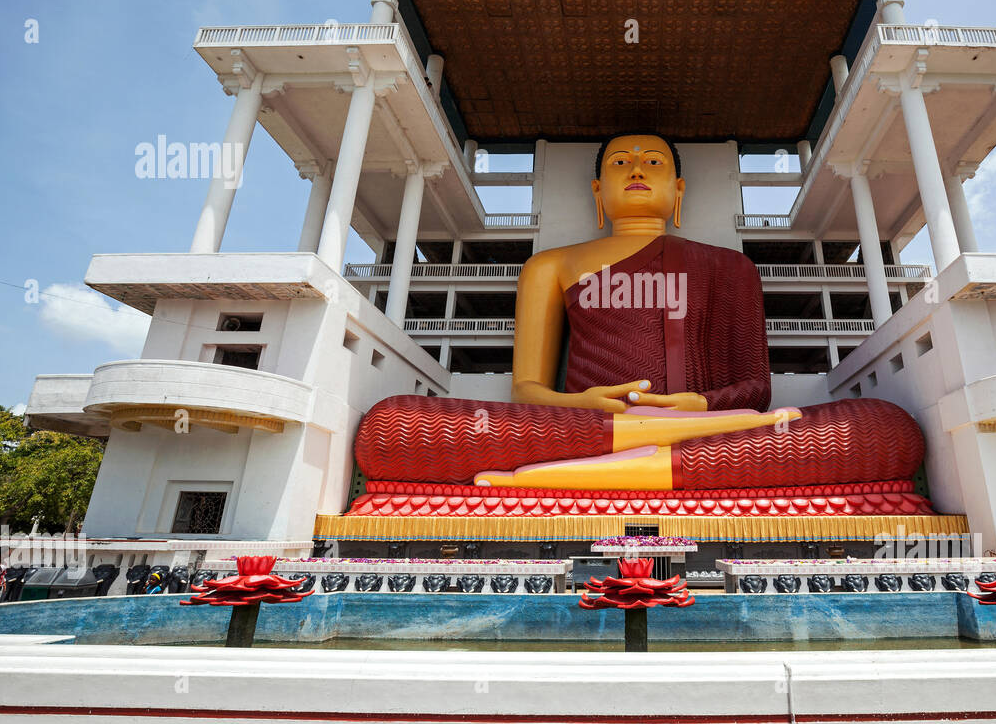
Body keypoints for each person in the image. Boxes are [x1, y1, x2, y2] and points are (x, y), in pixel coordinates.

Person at [355, 134, 923, 490]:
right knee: (394, 426)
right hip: (582, 425)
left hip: (706, 429)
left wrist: (697, 405)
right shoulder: (550, 266)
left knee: (877, 428)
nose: (636, 167)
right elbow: (526, 394)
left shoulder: (729, 268)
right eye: (620, 161)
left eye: (652, 161)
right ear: (598, 191)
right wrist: (580, 405)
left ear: (678, 191)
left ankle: (552, 479)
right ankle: (604, 459)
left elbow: (756, 388)